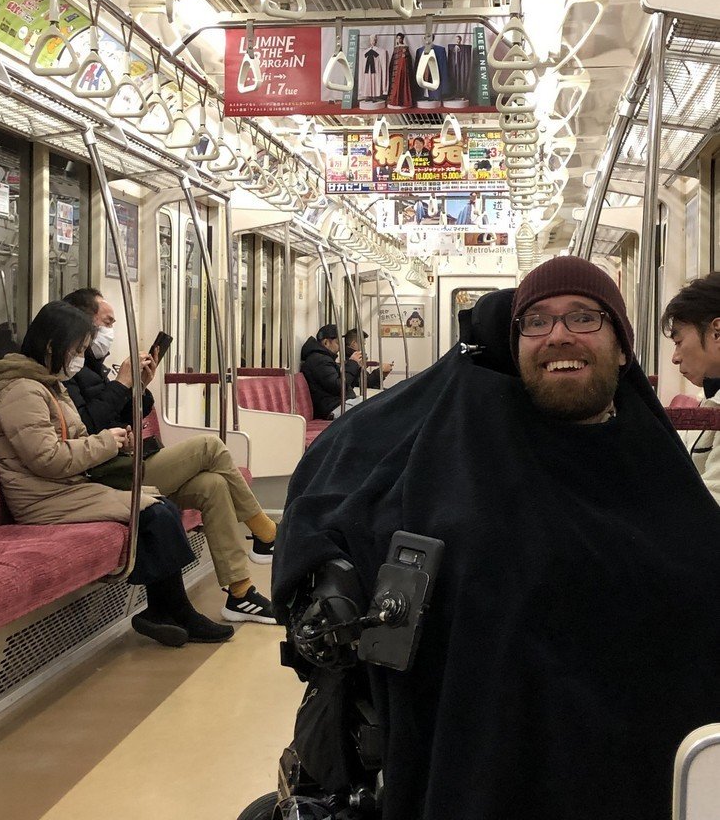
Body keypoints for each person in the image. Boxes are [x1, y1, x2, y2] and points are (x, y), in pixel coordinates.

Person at [273, 257, 720, 820]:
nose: (558, 334)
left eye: (584, 318)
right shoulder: (470, 466)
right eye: (536, 321)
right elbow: (340, 498)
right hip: (491, 750)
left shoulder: (661, 481)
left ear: (622, 347)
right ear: (516, 345)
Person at [0, 301, 234, 648]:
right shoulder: (22, 391)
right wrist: (104, 444)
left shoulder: (47, 385)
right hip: (43, 499)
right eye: (77, 349)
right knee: (156, 512)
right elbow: (47, 458)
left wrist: (116, 442)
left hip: (65, 488)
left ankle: (164, 608)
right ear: (53, 346)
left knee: (159, 507)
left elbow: (73, 438)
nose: (80, 357)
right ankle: (173, 609)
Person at [62, 288, 277, 625]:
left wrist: (140, 386)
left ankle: (240, 593)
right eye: (107, 322)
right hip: (107, 474)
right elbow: (87, 427)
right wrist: (122, 382)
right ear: (83, 322)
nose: (111, 330)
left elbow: (127, 416)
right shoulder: (68, 374)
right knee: (211, 448)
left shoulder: (97, 368)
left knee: (212, 485)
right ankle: (266, 533)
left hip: (131, 460)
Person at [662, 272, 720, 504]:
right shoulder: (709, 398)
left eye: (678, 342)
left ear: (717, 332)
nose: (675, 358)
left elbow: (713, 500)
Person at [300, 324, 366, 420]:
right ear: (326, 342)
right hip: (332, 408)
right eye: (337, 343)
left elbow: (348, 385)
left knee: (378, 404)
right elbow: (338, 386)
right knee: (374, 409)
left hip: (340, 403)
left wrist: (357, 367)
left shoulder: (325, 359)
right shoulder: (319, 360)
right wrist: (352, 364)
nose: (339, 348)